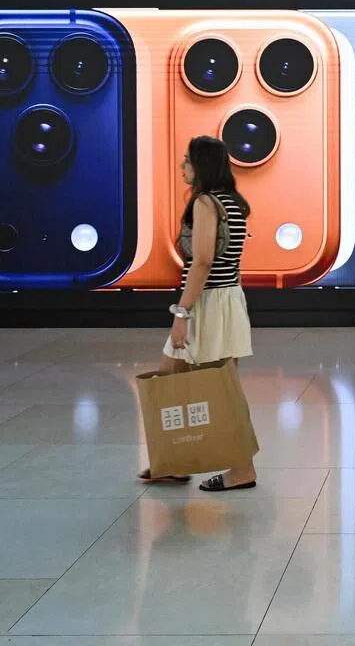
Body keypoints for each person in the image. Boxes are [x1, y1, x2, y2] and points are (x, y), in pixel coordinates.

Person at [138, 135, 258, 492]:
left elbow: (202, 261)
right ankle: (172, 462)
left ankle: (242, 469)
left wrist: (182, 313)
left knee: (218, 388)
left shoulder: (206, 202)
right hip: (225, 300)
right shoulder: (233, 202)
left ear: (202, 165)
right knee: (172, 378)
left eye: (187, 161)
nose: (182, 167)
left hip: (206, 303)